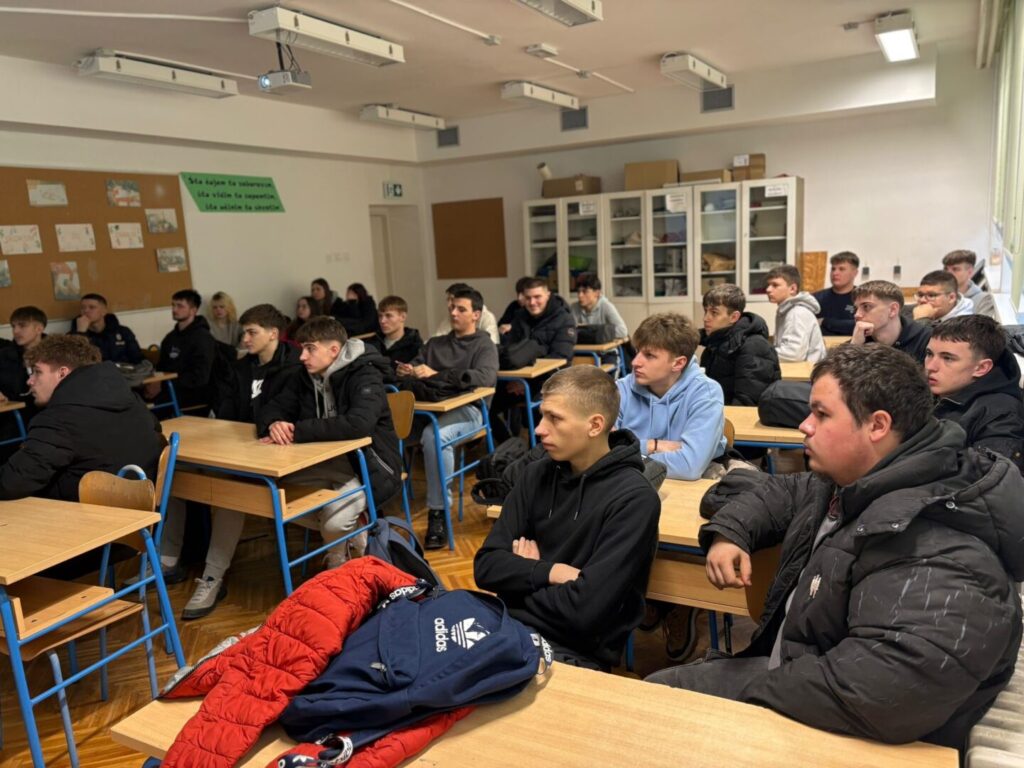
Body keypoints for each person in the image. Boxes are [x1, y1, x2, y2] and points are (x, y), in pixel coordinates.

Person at [648, 344, 1024, 750]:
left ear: (877, 425)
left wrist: (748, 689)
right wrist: (731, 532)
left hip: (854, 727)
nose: (804, 426)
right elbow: (782, 492)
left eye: (822, 414)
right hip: (806, 675)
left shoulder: (940, 545)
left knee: (659, 706)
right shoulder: (857, 476)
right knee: (657, 696)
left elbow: (881, 693)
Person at [474, 365, 661, 671]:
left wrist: (519, 580)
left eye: (555, 418)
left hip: (575, 652)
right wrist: (551, 571)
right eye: (542, 415)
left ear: (595, 425)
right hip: (508, 627)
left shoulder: (634, 498)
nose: (539, 429)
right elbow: (486, 567)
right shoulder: (535, 474)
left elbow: (586, 612)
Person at [162, 304, 302, 619]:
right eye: (244, 333)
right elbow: (225, 412)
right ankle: (167, 559)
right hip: (237, 447)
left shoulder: (294, 367)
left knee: (230, 490)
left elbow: (286, 415)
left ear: (273, 334)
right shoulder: (239, 368)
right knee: (175, 471)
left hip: (276, 454)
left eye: (252, 332)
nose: (245, 339)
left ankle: (213, 576)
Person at [256, 316, 402, 568]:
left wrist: (297, 431)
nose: (302, 356)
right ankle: (350, 535)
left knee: (333, 524)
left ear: (334, 350)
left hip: (368, 466)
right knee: (270, 497)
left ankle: (339, 551)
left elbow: (358, 424)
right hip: (319, 463)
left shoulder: (365, 373)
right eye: (302, 348)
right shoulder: (303, 376)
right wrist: (274, 423)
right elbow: (271, 408)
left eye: (310, 349)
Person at [0, 335, 162, 501]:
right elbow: (157, 431)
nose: (30, 380)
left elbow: (10, 483)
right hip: (142, 510)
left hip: (89, 513)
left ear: (62, 373)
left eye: (37, 372)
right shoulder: (131, 399)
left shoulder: (59, 419)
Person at [398, 287, 498, 548]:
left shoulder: (484, 345)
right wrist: (408, 370)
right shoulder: (436, 344)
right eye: (452, 307)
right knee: (388, 427)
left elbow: (485, 378)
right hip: (430, 408)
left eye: (461, 309)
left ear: (476, 315)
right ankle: (375, 507)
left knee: (435, 436)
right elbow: (413, 366)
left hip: (471, 411)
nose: (453, 313)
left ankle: (438, 513)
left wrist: (436, 374)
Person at [926, 315, 1024, 469]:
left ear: (981, 368)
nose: (931, 366)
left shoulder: (1002, 416)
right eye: (929, 354)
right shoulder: (929, 388)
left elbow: (988, 477)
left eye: (948, 358)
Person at [489, 278, 577, 442]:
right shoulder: (519, 316)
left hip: (551, 380)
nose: (532, 302)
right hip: (518, 380)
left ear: (548, 295)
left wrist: (526, 382)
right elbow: (510, 351)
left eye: (537, 297)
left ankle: (538, 453)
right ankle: (510, 447)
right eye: (528, 298)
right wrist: (518, 380)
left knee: (540, 411)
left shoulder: (564, 319)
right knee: (485, 404)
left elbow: (561, 358)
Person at [699, 284, 780, 406]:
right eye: (706, 311)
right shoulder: (716, 341)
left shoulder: (754, 346)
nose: (706, 318)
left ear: (734, 317)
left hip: (736, 415)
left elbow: (747, 403)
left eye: (714, 313)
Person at [147, 289, 217, 410]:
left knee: (149, 410)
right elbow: (161, 367)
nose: (174, 310)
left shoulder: (203, 338)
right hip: (171, 388)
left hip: (194, 393)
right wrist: (155, 382)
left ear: (193, 310)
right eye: (173, 305)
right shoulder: (170, 338)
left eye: (180, 306)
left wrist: (164, 384)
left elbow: (200, 377)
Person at [850, 280, 932, 363]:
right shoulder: (860, 339)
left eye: (866, 307)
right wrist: (854, 346)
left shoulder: (926, 340)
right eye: (856, 308)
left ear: (893, 310)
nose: (857, 314)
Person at [0, 306, 47, 450]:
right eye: (13, 326)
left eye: (22, 326)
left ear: (39, 328)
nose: (16, 331)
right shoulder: (5, 355)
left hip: (48, 412)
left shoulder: (57, 353)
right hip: (14, 415)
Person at [764, 265, 826, 363]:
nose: (768, 289)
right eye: (768, 285)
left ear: (792, 289)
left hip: (806, 371)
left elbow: (793, 354)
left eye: (775, 285)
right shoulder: (786, 310)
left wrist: (760, 353)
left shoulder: (797, 313)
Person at [68, 293, 144, 364]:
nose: (86, 311)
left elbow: (137, 357)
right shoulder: (72, 336)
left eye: (92, 307)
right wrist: (81, 333)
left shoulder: (123, 332)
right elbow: (76, 362)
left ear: (104, 311)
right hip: (95, 373)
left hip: (123, 371)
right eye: (83, 308)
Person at [366, 295, 423, 381]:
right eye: (380, 316)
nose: (382, 321)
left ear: (403, 317)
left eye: (388, 316)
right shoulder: (371, 343)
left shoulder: (416, 347)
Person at [433, 282, 500, 344]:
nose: (448, 304)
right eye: (448, 299)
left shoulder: (487, 317)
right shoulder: (452, 316)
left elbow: (493, 344)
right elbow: (437, 339)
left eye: (452, 299)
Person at [943, 249, 998, 320]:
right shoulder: (939, 295)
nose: (948, 273)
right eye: (946, 269)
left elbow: (983, 326)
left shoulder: (983, 300)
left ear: (970, 272)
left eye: (955, 269)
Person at [813, 251, 859, 335]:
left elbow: (860, 325)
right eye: (833, 269)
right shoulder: (816, 298)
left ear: (855, 273)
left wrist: (825, 321)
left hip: (854, 343)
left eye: (841, 269)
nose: (835, 273)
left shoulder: (862, 298)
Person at [570, 273, 628, 340]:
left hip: (603, 346)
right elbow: (569, 331)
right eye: (578, 291)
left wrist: (598, 334)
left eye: (585, 291)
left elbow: (623, 331)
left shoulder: (606, 306)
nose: (580, 295)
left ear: (597, 293)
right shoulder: (574, 307)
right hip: (583, 346)